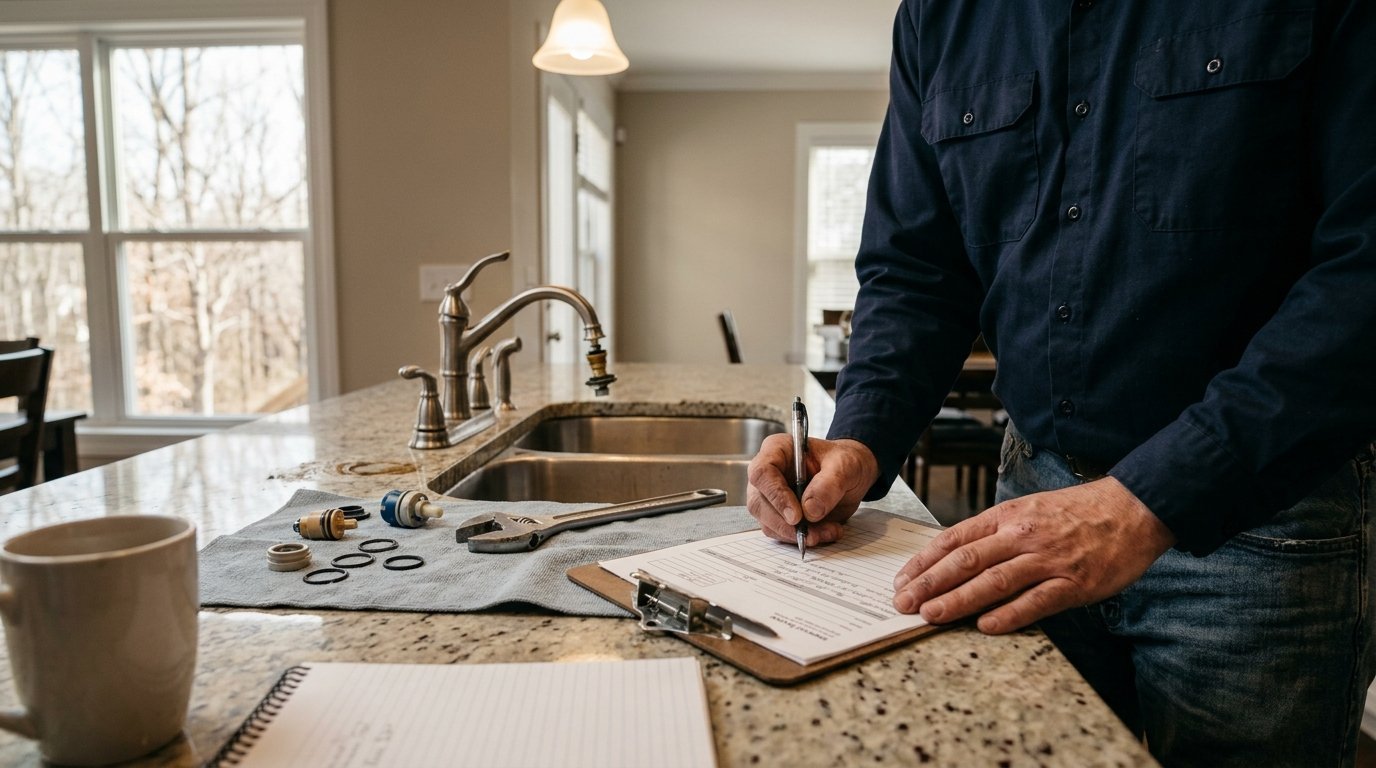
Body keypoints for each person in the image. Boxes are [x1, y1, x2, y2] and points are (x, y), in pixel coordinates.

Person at [746, 2, 1376, 766]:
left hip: (1261, 523)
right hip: (1029, 499)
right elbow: (916, 272)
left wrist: (1148, 501)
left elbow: (1361, 276)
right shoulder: (938, 18)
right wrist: (862, 436)